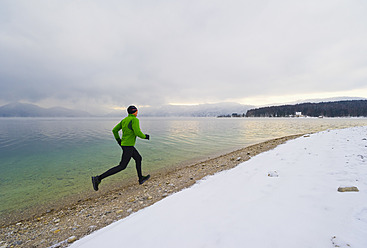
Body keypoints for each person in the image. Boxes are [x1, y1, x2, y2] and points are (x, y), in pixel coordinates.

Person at [92, 105, 150, 191]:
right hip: (128, 146)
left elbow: (114, 130)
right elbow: (137, 133)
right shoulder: (134, 120)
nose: (137, 112)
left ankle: (141, 178)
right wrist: (145, 136)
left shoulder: (124, 120)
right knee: (122, 166)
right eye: (137, 111)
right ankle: (98, 178)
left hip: (125, 145)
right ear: (135, 111)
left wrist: (118, 141)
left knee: (138, 158)